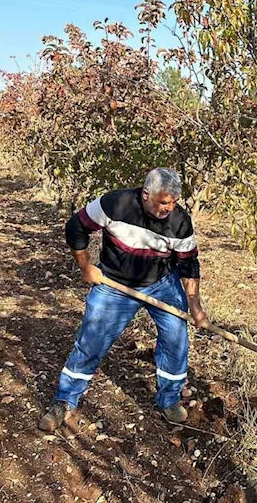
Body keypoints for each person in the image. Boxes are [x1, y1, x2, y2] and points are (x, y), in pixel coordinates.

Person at [38, 167, 209, 432]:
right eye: (164, 202)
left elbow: (188, 264)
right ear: (145, 195)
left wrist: (195, 307)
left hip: (162, 283)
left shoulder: (180, 222)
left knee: (176, 341)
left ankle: (169, 400)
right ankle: (64, 400)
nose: (169, 208)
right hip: (114, 284)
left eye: (174, 202)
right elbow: (75, 227)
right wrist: (85, 267)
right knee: (91, 341)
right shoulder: (114, 204)